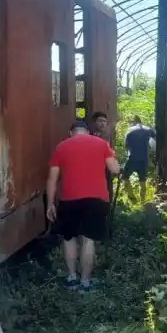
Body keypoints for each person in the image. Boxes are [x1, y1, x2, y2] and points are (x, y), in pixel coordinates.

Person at [46, 120, 120, 291]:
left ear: (70, 132)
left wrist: (50, 204)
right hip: (97, 199)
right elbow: (115, 169)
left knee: (69, 238)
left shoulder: (62, 146)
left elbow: (52, 178)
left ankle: (72, 278)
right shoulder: (102, 144)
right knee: (89, 240)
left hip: (69, 199)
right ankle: (85, 283)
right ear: (87, 131)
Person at [123, 116, 156, 202]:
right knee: (143, 181)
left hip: (132, 158)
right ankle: (143, 202)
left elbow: (126, 146)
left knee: (125, 178)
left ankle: (132, 198)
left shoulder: (130, 130)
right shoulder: (148, 129)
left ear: (133, 122)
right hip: (144, 159)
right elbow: (154, 143)